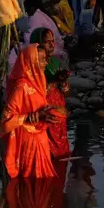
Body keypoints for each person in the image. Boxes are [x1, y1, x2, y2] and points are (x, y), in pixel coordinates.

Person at [1, 44, 57, 178]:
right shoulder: (22, 86)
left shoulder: (39, 81)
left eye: (45, 59)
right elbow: (7, 117)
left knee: (43, 181)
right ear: (31, 62)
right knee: (32, 180)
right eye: (42, 59)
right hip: (28, 141)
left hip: (40, 136)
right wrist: (32, 116)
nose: (45, 63)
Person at [29, 28, 70, 159]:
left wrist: (64, 86)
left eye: (53, 42)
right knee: (46, 153)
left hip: (58, 111)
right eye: (47, 42)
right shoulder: (32, 65)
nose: (52, 45)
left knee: (61, 152)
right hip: (44, 112)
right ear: (38, 43)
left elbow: (64, 93)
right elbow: (32, 92)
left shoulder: (55, 62)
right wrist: (52, 83)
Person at [24, 0, 68, 66]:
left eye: (26, 8)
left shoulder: (35, 17)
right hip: (57, 48)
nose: (26, 11)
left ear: (31, 8)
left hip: (53, 52)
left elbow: (31, 39)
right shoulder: (42, 14)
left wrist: (22, 36)